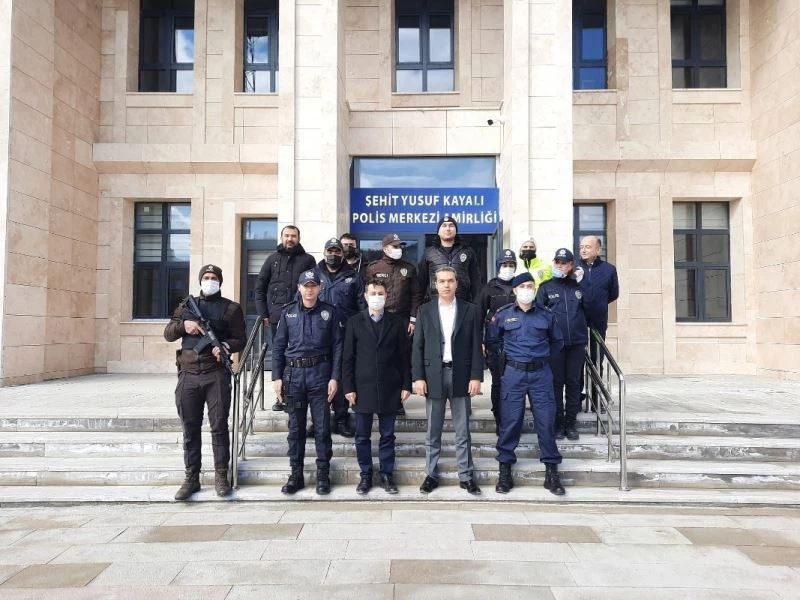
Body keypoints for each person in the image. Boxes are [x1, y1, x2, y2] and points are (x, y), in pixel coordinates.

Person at [164, 265, 246, 501]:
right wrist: (184, 326)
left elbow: (240, 338)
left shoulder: (231, 308)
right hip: (188, 374)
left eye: (214, 278)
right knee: (190, 429)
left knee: (219, 426)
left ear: (220, 281)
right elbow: (169, 333)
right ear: (200, 281)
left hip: (215, 374)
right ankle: (192, 477)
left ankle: (221, 475)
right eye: (206, 278)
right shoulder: (185, 307)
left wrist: (226, 347)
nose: (210, 281)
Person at [486, 271, 566, 496]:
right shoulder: (502, 315)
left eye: (531, 286)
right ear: (514, 290)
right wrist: (508, 358)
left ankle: (551, 474)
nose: (527, 291)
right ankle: (505, 472)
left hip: (541, 374)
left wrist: (540, 358)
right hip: (514, 374)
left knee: (546, 422)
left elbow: (557, 342)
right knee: (510, 422)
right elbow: (492, 340)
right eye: (523, 287)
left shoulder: (546, 314)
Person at [412, 266, 483, 495]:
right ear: (435, 284)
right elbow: (418, 347)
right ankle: (431, 474)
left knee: (462, 431)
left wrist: (476, 376)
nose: (446, 285)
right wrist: (418, 377)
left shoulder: (470, 310)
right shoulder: (425, 310)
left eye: (450, 281)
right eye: (441, 281)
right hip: (433, 376)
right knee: (433, 430)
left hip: (461, 375)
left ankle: (466, 475)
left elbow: (475, 346)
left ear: (456, 283)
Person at [272, 270, 343, 496]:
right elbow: (278, 347)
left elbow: (338, 347)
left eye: (313, 285)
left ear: (320, 288)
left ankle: (323, 474)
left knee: (322, 428)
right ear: (299, 288)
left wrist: (335, 377)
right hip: (293, 376)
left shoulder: (329, 313)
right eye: (306, 285)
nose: (310, 289)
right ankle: (296, 475)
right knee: (296, 429)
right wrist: (276, 377)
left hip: (320, 374)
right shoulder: (288, 313)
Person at [342, 279, 412, 495]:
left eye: (380, 293)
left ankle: (386, 475)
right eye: (373, 293)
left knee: (388, 435)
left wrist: (406, 385)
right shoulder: (354, 322)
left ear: (386, 295)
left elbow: (404, 357)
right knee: (362, 435)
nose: (377, 297)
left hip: (390, 386)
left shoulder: (397, 322)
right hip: (362, 388)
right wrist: (348, 387)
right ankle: (365, 475)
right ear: (365, 296)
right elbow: (348, 358)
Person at [254, 225, 316, 412]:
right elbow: (259, 288)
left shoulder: (308, 260)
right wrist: (263, 313)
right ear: (281, 237)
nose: (290, 239)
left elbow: (315, 286)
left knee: (302, 355)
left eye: (293, 236)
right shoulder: (272, 260)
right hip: (277, 318)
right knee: (280, 355)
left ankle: (303, 393)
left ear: (299, 237)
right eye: (287, 235)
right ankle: (280, 396)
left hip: (302, 317)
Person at [308, 237, 365, 438]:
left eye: (337, 251)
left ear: (342, 254)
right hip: (317, 336)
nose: (333, 255)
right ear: (324, 252)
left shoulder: (353, 277)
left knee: (340, 377)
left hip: (344, 335)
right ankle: (318, 422)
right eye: (330, 251)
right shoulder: (313, 275)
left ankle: (341, 419)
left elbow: (361, 307)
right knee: (319, 379)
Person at [364, 233, 423, 416]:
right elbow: (366, 293)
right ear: (385, 248)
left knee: (399, 360)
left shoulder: (409, 268)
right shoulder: (373, 268)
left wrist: (413, 319)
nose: (399, 250)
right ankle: (374, 399)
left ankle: (397, 401)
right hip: (380, 318)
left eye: (400, 246)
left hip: (402, 320)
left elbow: (416, 295)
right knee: (378, 359)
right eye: (395, 246)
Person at [536, 248, 588, 441]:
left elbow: (591, 306)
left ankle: (571, 423)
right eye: (557, 262)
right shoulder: (545, 287)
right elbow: (538, 316)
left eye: (564, 262)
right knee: (556, 384)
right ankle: (558, 423)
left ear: (571, 265)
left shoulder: (578, 287)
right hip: (555, 345)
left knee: (574, 383)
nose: (560, 265)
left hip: (576, 343)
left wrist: (585, 283)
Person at [576, 235, 620, 409]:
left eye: (588, 246)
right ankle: (576, 400)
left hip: (598, 322)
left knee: (596, 360)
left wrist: (598, 304)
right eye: (581, 247)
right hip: (577, 321)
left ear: (598, 250)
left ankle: (595, 399)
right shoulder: (574, 267)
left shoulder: (609, 270)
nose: (584, 250)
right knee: (576, 361)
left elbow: (613, 294)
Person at [478, 248, 517, 434]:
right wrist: (480, 342)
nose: (507, 268)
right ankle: (499, 418)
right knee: (498, 382)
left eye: (511, 265)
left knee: (515, 382)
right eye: (504, 265)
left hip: (517, 343)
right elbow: (478, 316)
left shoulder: (521, 285)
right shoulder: (489, 287)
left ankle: (513, 418)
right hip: (494, 343)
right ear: (498, 266)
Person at [418, 216, 481, 302]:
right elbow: (421, 283)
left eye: (451, 225)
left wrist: (476, 306)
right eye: (444, 226)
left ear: (456, 230)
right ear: (438, 232)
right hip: (436, 304)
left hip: (463, 303)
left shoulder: (467, 251)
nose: (448, 228)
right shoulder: (429, 253)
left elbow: (476, 282)